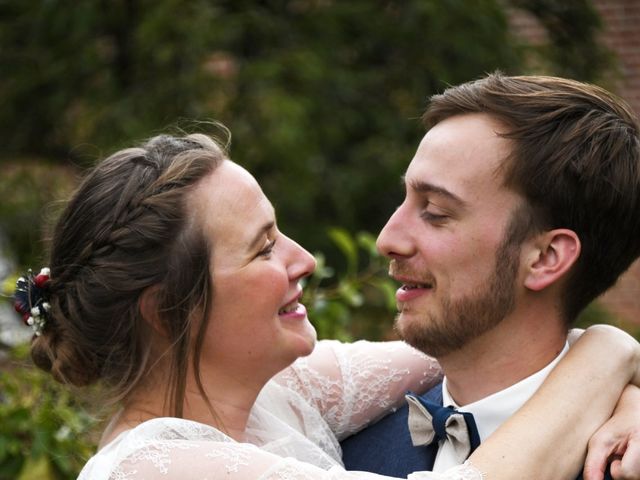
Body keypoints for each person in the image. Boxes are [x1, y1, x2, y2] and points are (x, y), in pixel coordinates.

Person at [12, 131, 640, 480]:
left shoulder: (282, 396)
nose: (304, 259)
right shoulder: (151, 468)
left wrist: (626, 392)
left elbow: (482, 349)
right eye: (263, 250)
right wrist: (612, 347)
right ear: (166, 308)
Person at [340, 73, 640, 480]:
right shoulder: (336, 444)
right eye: (406, 199)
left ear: (545, 257)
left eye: (436, 212)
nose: (387, 240)